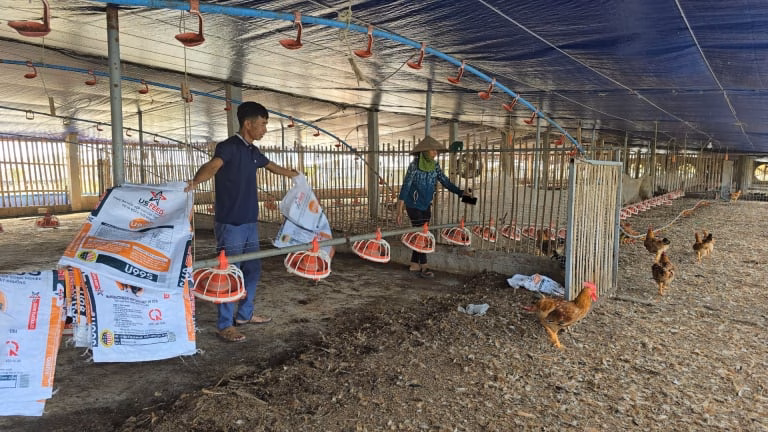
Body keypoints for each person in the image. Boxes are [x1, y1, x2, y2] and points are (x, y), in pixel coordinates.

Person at [185, 101, 298, 343]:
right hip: (231, 223)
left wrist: (292, 175)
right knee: (228, 271)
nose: (265, 129)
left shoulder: (252, 151)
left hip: (249, 222)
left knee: (253, 269)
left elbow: (271, 166)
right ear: (248, 124)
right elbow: (214, 165)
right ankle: (224, 324)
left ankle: (245, 315)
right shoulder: (229, 147)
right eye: (263, 124)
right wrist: (195, 182)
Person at [395, 136, 474, 278]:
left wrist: (462, 193)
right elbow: (405, 187)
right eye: (432, 150)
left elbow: (446, 182)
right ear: (424, 151)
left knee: (421, 232)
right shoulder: (414, 166)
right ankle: (424, 265)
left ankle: (414, 264)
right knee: (422, 233)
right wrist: (399, 210)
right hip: (413, 205)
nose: (435, 152)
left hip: (426, 204)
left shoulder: (435, 166)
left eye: (435, 150)